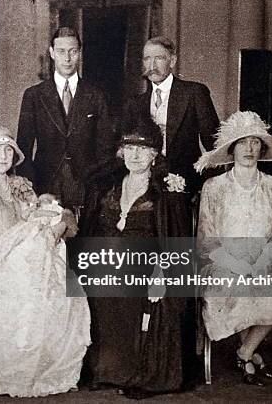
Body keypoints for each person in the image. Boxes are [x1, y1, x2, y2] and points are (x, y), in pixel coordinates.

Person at [0, 126, 90, 398]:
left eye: (9, 150)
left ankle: (43, 366)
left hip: (25, 261)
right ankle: (12, 368)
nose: (4, 156)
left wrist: (42, 228)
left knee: (56, 285)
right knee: (28, 290)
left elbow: (34, 220)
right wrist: (16, 252)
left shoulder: (19, 185)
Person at [80, 118, 191, 398]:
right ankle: (106, 371)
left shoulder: (166, 193)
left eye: (142, 149)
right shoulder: (107, 186)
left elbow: (176, 244)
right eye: (129, 148)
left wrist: (162, 275)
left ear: (155, 154)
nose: (135, 155)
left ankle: (133, 372)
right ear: (121, 152)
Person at [195, 111, 272, 386]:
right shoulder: (215, 187)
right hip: (223, 264)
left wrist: (258, 265)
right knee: (235, 290)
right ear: (232, 148)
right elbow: (207, 240)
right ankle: (248, 358)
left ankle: (245, 352)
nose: (249, 149)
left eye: (255, 142)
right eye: (242, 142)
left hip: (264, 263)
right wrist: (237, 266)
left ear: (263, 148)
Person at [16, 26, 115, 210]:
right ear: (52, 53)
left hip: (86, 184)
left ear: (80, 53)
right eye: (61, 52)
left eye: (73, 51)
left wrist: (97, 182)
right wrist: (29, 187)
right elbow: (24, 147)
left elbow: (106, 146)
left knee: (84, 236)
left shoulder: (96, 95)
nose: (67, 59)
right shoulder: (34, 95)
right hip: (45, 181)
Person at [124, 36, 219, 194]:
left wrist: (207, 184)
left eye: (159, 58)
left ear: (172, 61)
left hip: (186, 183)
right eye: (147, 59)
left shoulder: (194, 93)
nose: (152, 65)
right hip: (145, 187)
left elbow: (214, 145)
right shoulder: (135, 103)